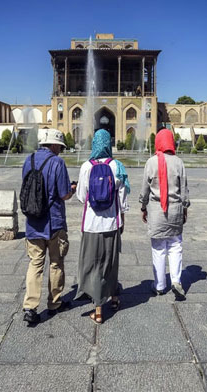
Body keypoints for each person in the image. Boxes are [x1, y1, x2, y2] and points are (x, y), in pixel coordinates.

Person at [21, 129, 76, 325]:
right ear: (53, 145)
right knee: (56, 262)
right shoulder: (57, 162)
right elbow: (63, 194)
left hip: (33, 221)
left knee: (35, 264)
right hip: (53, 223)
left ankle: (30, 307)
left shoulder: (29, 160)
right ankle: (54, 302)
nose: (60, 150)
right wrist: (72, 189)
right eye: (60, 147)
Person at [75, 129, 130, 324]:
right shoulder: (117, 166)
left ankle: (98, 309)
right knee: (111, 263)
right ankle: (114, 299)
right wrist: (122, 218)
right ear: (108, 144)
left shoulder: (86, 167)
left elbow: (81, 197)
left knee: (94, 265)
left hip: (91, 224)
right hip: (112, 223)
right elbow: (122, 199)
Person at [139, 129, 190, 300]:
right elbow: (184, 189)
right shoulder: (179, 163)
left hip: (156, 211)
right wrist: (185, 208)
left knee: (159, 248)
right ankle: (176, 280)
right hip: (175, 210)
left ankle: (160, 285)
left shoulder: (151, 162)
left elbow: (145, 189)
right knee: (175, 246)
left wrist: (143, 206)